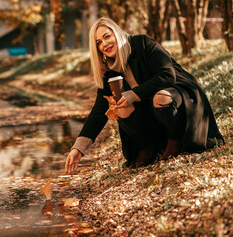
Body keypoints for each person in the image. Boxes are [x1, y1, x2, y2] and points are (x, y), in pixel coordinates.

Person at [65, 17, 224, 173]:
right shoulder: (109, 71)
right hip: (152, 114)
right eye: (98, 42)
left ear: (116, 33)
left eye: (107, 36)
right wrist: (78, 149)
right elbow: (99, 110)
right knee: (119, 106)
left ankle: (175, 141)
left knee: (160, 97)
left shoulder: (143, 43)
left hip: (179, 97)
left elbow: (167, 76)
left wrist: (133, 94)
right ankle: (147, 149)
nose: (104, 44)